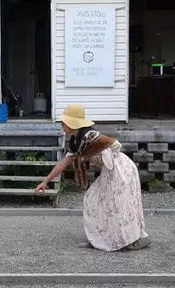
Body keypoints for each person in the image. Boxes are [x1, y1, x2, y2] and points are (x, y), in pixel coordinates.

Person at [35, 104, 151, 252]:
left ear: (72, 123)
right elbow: (63, 163)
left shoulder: (90, 136)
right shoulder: (76, 141)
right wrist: (45, 181)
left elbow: (116, 145)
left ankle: (138, 238)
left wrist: (98, 154)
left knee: (121, 204)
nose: (62, 125)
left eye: (64, 122)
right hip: (109, 172)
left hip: (120, 169)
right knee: (94, 201)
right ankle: (98, 238)